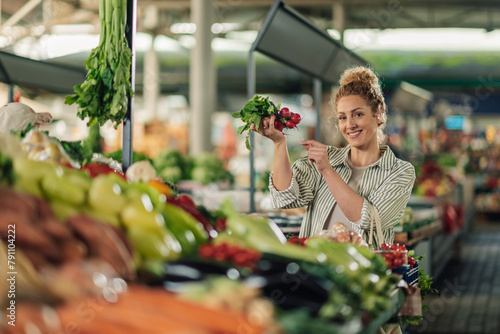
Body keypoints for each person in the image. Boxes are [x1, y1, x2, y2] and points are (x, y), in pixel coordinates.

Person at [250, 66, 415, 247]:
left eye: (358, 114)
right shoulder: (328, 158)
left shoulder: (400, 172)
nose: (350, 125)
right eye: (342, 117)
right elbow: (285, 198)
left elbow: (368, 220)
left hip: (364, 271)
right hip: (315, 267)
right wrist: (279, 143)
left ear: (379, 114)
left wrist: (327, 171)